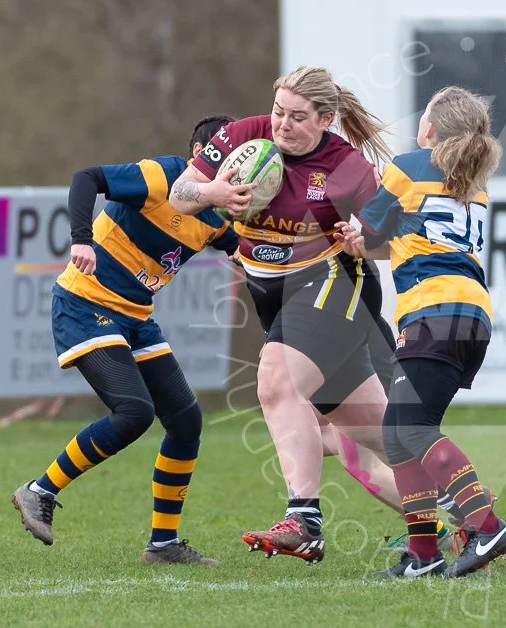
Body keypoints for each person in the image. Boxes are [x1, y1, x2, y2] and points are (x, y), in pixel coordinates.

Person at [166, 66, 414, 564]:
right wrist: (212, 194)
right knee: (371, 433)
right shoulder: (240, 137)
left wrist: (363, 240)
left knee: (275, 382)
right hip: (275, 294)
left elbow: (393, 243)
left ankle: (304, 520)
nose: (282, 124)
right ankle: (470, 513)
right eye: (279, 111)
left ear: (325, 119)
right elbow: (179, 194)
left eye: (298, 117)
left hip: (336, 285)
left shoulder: (346, 167)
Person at [10, 115, 244, 565]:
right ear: (203, 153)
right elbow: (87, 178)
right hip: (85, 303)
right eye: (228, 153)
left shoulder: (216, 215)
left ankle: (163, 544)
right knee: (135, 412)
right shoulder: (163, 176)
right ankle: (38, 490)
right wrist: (82, 240)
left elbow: (245, 251)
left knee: (186, 421)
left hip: (135, 318)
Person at [336, 85, 506, 578]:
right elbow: (401, 241)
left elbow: (371, 231)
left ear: (431, 129)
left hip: (433, 314)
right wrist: (366, 242)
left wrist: (354, 234)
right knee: (398, 437)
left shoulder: (410, 165)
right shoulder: (472, 181)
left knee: (411, 428)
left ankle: (487, 525)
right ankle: (423, 555)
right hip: (470, 315)